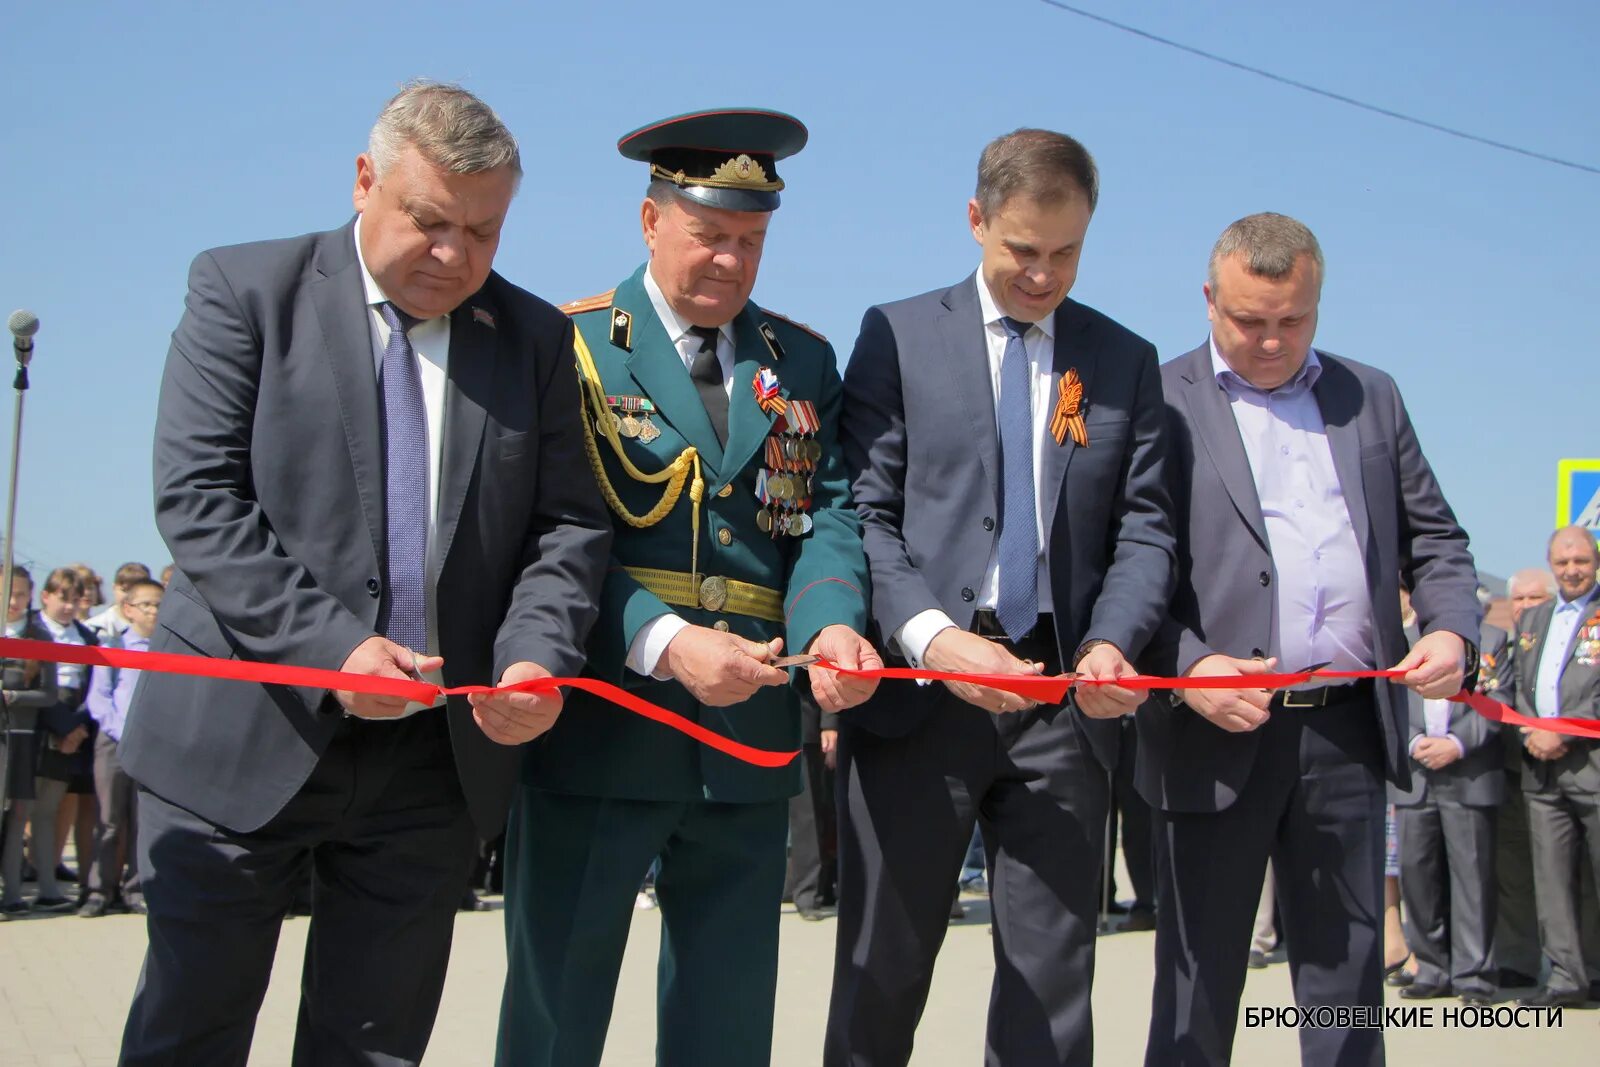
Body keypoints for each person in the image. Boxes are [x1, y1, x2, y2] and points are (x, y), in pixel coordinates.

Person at [116, 81, 612, 1065]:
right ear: (362, 182)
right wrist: (333, 647)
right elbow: (200, 502)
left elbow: (567, 526)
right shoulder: (245, 290)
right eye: (429, 221)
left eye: (483, 232)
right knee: (189, 1032)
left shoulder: (535, 340)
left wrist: (532, 657)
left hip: (429, 764)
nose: (453, 254)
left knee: (373, 1046)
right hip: (240, 735)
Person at [497, 108, 877, 1067]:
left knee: (729, 1019)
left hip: (746, 732)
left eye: (750, 242)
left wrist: (832, 624)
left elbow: (824, 517)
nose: (730, 262)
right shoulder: (571, 344)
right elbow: (547, 535)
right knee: (556, 1014)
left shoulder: (804, 363)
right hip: (604, 722)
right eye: (709, 235)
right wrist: (667, 639)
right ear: (650, 222)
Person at [832, 128, 1174, 1066]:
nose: (1042, 274)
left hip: (1062, 698)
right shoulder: (898, 334)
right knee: (881, 971)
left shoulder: (1120, 359)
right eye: (1023, 250)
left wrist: (1111, 642)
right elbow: (864, 513)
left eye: (1066, 253)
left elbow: (1144, 529)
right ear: (976, 220)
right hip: (921, 696)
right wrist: (934, 639)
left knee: (1053, 987)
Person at [1139, 212, 1480, 1067]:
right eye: (1249, 320)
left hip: (1344, 731)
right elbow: (1124, 567)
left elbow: (1436, 540)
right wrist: (1189, 666)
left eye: (1292, 321)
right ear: (1209, 300)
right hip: (1215, 725)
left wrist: (1451, 629)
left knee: (1347, 982)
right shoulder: (1158, 397)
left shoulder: (1370, 397)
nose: (1269, 341)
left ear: (1318, 302)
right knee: (1198, 984)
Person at [1391, 589, 1503, 1004]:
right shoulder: (1400, 642)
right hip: (1416, 774)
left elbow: (1501, 700)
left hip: (1468, 774)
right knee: (1417, 878)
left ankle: (1474, 976)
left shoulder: (1492, 640)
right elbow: (1388, 699)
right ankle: (1432, 968)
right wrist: (1415, 739)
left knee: (1472, 881)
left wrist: (1457, 743)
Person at [1511, 525, 1600, 1008]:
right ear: (1551, 565)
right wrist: (1532, 729)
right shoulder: (1534, 619)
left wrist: (1564, 729)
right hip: (1541, 772)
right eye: (1563, 563)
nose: (1572, 571)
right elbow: (1520, 685)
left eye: (1581, 562)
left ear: (1596, 561)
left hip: (1593, 767)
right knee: (1551, 880)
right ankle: (1566, 978)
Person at [80, 577, 162, 917]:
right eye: (147, 605)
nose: (154, 611)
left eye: (160, 604)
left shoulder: (166, 650)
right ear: (128, 609)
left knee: (142, 819)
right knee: (109, 820)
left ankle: (136, 889)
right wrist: (120, 731)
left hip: (153, 746)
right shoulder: (114, 646)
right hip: (113, 742)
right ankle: (99, 890)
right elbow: (98, 699)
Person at [1491, 568, 1555, 987]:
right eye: (1520, 600)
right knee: (1512, 873)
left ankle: (1587, 965)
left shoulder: (1567, 645)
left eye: (1536, 599)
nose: (1527, 607)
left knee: (1575, 876)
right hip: (1514, 774)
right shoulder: (1505, 648)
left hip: (1567, 771)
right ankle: (1518, 960)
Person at [31, 567, 98, 912]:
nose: (69, 606)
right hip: (39, 727)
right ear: (45, 596)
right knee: (21, 814)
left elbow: (93, 687)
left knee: (48, 813)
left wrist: (77, 728)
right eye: (62, 598)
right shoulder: (32, 630)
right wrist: (60, 725)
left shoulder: (87, 637)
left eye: (75, 600)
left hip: (74, 730)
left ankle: (48, 884)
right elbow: (35, 685)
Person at [1, 567, 58, 914]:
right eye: (8, 593)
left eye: (21, 594)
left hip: (23, 739)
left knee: (18, 815)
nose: (13, 601)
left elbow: (49, 694)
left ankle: (14, 892)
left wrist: (13, 696)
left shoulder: (40, 637)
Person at [84, 562, 149, 641]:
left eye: (136, 591)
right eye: (124, 590)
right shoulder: (93, 628)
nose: (129, 597)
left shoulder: (154, 629)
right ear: (114, 588)